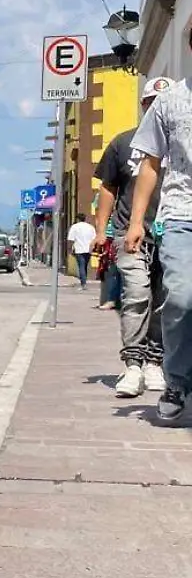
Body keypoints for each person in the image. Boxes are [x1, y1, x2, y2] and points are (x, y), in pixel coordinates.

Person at [95, 78, 171, 397]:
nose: (156, 107)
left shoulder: (182, 142)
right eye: (151, 101)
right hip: (130, 233)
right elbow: (108, 188)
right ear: (142, 105)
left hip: (170, 232)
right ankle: (133, 365)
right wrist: (101, 229)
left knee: (166, 300)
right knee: (138, 294)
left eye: (162, 101)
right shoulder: (123, 142)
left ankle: (155, 361)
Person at [127, 75, 188, 421]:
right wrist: (136, 221)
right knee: (180, 296)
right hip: (182, 213)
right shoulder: (169, 102)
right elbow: (150, 164)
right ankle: (176, 380)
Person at [67, 213, 96, 290]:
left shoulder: (74, 227)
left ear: (77, 219)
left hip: (79, 249)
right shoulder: (90, 227)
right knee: (85, 266)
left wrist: (69, 249)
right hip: (89, 250)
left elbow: (70, 239)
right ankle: (84, 282)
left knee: (81, 267)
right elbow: (94, 238)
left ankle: (83, 284)